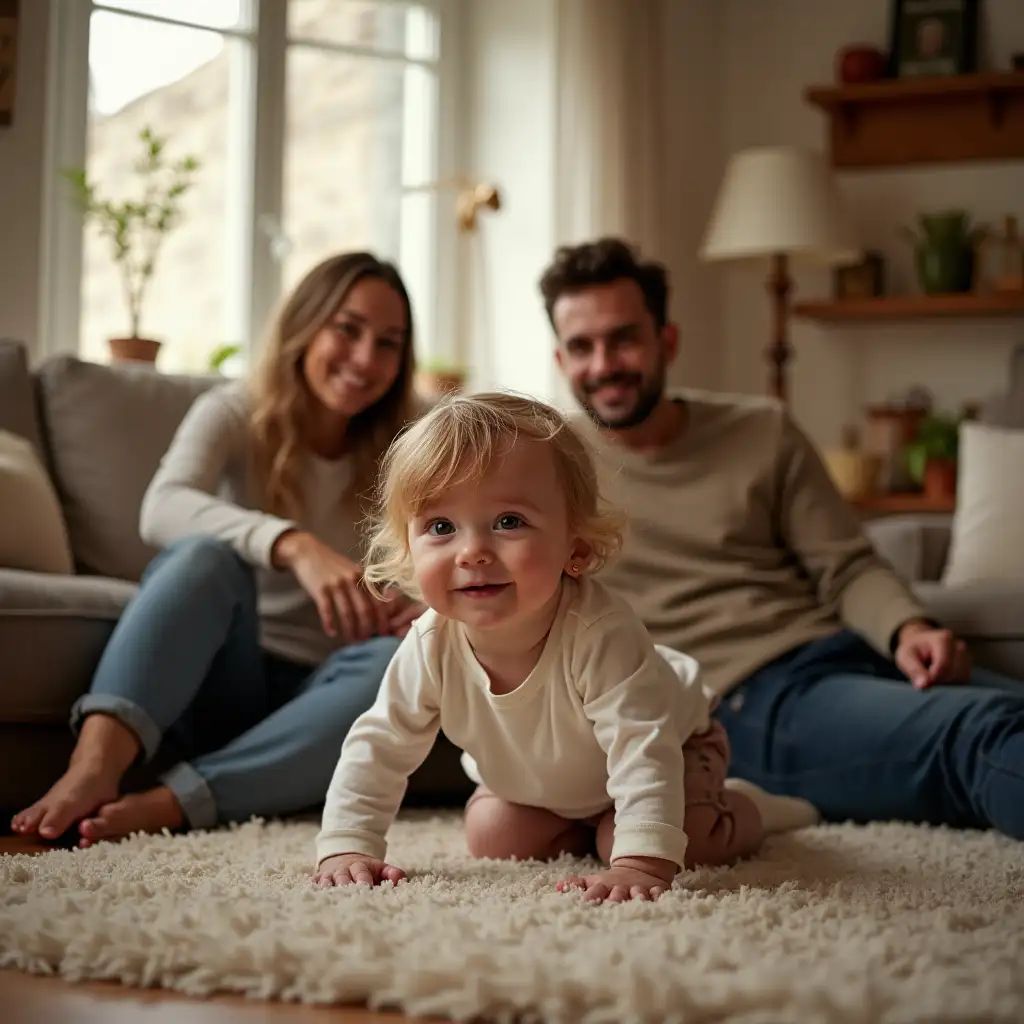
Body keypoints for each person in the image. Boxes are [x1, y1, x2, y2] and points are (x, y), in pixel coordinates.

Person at [539, 235, 1024, 840]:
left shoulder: (761, 428)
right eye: (581, 347)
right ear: (560, 360)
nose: (604, 364)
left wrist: (909, 628)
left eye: (624, 338)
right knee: (985, 732)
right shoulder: (548, 465)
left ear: (667, 340)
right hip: (739, 702)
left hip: (840, 651)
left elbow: (846, 565)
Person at [311, 393, 819, 904]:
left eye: (509, 521)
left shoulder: (599, 631)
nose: (473, 553)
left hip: (674, 745)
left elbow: (642, 744)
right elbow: (379, 743)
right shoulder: (430, 642)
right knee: (492, 835)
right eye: (441, 528)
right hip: (547, 786)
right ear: (407, 550)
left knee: (674, 839)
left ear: (574, 548)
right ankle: (597, 823)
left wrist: (639, 861)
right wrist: (347, 845)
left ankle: (753, 807)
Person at [11, 251, 424, 847]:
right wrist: (291, 544)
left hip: (321, 698)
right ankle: (92, 770)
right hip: (220, 674)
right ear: (306, 326)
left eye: (389, 342)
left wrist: (419, 605)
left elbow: (442, 552)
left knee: (401, 663)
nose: (366, 359)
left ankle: (170, 803)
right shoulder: (235, 408)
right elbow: (162, 507)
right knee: (203, 558)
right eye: (348, 329)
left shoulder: (409, 442)